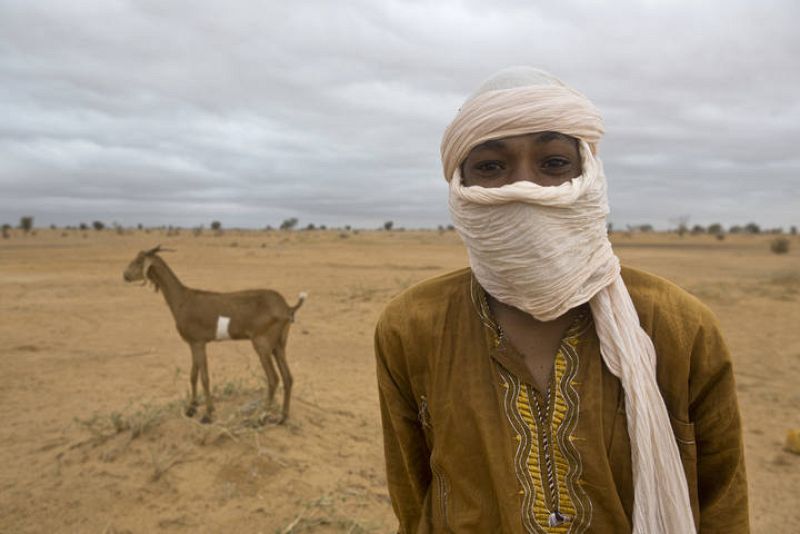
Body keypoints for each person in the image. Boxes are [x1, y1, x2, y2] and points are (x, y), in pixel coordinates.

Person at [374, 67, 748, 533]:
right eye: (491, 167)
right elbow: (414, 497)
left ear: (590, 172)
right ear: (460, 186)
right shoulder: (412, 326)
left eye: (554, 163)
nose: (526, 187)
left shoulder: (678, 324)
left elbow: (722, 504)